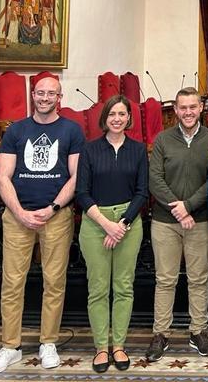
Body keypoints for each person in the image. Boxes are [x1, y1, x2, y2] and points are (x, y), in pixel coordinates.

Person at [0, 76, 85, 375]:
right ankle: (10, 346)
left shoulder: (71, 130)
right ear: (33, 95)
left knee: (54, 282)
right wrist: (19, 212)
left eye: (50, 93)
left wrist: (53, 208)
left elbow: (76, 177)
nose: (44, 98)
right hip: (17, 217)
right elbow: (3, 176)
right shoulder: (16, 130)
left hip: (56, 217)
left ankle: (48, 342)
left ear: (60, 96)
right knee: (12, 283)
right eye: (40, 93)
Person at [145, 87, 208, 361]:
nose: (188, 112)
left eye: (193, 107)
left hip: (200, 220)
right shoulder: (163, 139)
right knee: (164, 280)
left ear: (201, 108)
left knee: (199, 279)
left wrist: (188, 206)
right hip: (166, 222)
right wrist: (178, 209)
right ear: (175, 110)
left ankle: (197, 331)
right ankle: (161, 334)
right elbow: (155, 179)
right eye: (183, 107)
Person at [76, 95, 149, 373]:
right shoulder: (90, 149)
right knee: (98, 288)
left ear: (129, 118)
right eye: (112, 114)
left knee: (123, 287)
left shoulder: (138, 149)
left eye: (122, 114)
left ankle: (118, 345)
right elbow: (82, 192)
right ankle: (100, 348)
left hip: (128, 224)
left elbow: (142, 191)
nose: (117, 119)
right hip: (96, 222)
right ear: (104, 118)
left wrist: (122, 224)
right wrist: (107, 225)